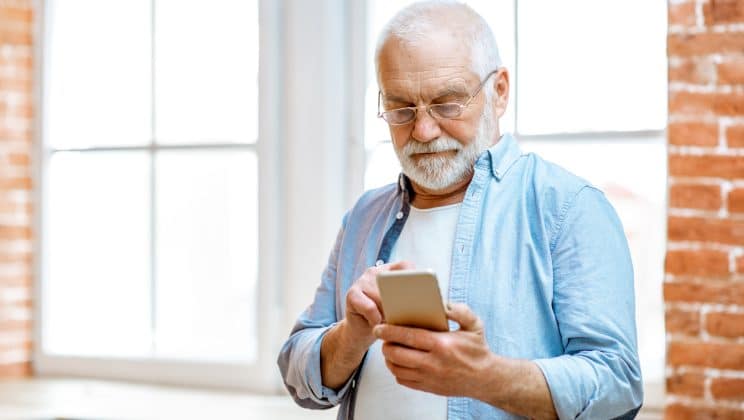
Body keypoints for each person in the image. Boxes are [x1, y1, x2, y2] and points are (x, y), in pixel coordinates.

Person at [277, 1, 643, 419]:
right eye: (400, 108)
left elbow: (618, 386)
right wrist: (350, 336)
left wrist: (486, 377)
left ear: (499, 91)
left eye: (447, 103)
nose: (423, 130)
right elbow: (296, 370)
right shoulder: (364, 216)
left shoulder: (567, 208)